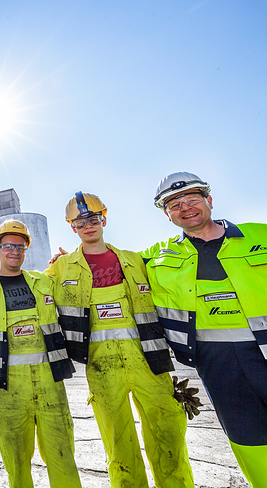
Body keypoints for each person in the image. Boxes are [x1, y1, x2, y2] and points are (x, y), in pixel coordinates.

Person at [45, 192, 192, 487]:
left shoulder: (135, 261)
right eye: (80, 220)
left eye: (94, 217)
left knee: (169, 435)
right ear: (72, 227)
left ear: (104, 218)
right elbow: (31, 288)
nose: (89, 224)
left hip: (150, 361)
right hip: (102, 368)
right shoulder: (61, 268)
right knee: (118, 442)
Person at [143, 172, 267, 487]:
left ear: (208, 200)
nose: (186, 208)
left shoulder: (261, 236)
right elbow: (109, 271)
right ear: (167, 215)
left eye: (192, 199)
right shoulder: (156, 257)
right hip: (219, 365)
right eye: (174, 204)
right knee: (248, 439)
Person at [0, 220, 81, 488]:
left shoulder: (44, 281)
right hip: (7, 389)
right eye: (7, 245)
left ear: (26, 249)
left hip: (51, 383)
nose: (14, 251)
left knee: (62, 456)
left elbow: (77, 285)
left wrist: (66, 262)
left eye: (20, 246)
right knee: (16, 463)